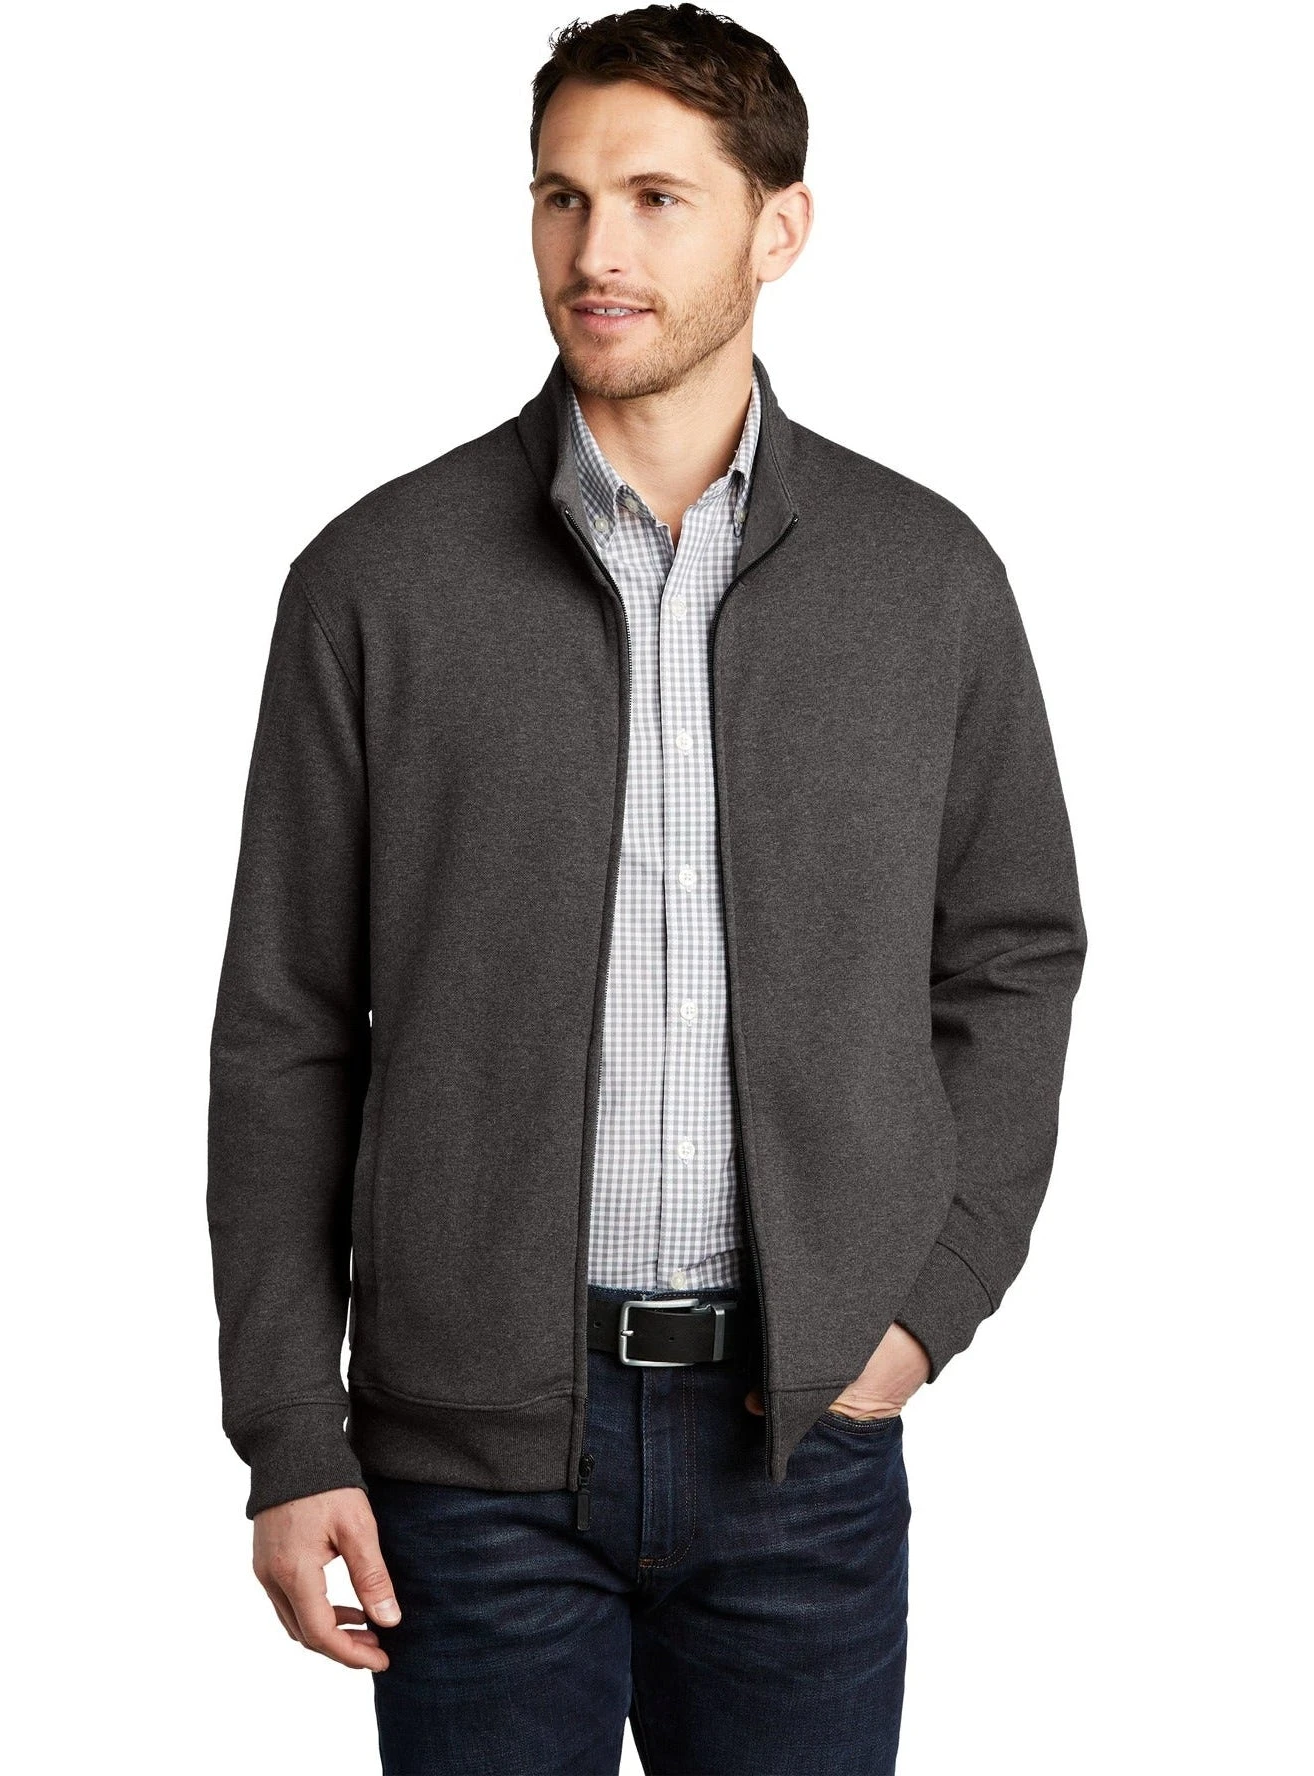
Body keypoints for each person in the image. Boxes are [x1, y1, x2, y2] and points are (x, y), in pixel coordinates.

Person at [206, 6, 1088, 1771]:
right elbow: (285, 1029)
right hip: (464, 1475)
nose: (595, 249)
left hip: (804, 1448)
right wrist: (291, 1432)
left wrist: (922, 1312)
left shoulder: (926, 579)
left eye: (657, 199)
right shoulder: (377, 582)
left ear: (780, 227)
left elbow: (1013, 956)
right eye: (562, 196)